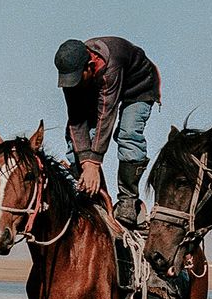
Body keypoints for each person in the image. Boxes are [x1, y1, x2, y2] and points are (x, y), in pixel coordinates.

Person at [54, 36, 161, 229]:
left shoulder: (111, 64)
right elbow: (76, 120)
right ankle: (96, 199)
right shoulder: (73, 77)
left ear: (89, 66)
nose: (73, 84)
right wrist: (86, 162)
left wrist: (93, 163)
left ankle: (128, 200)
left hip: (138, 86)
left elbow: (106, 114)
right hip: (96, 90)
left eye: (77, 79)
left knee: (128, 134)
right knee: (75, 142)